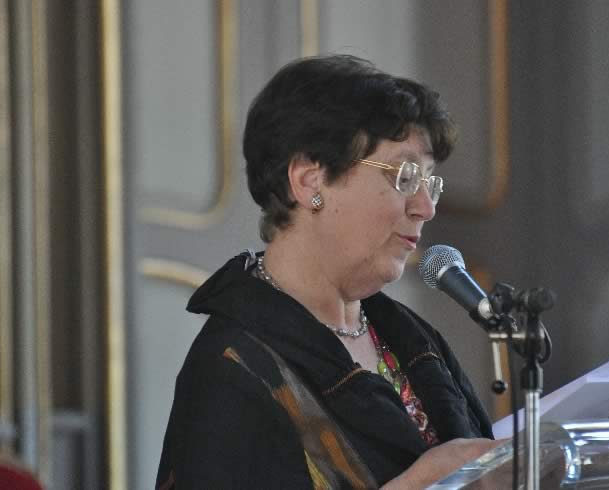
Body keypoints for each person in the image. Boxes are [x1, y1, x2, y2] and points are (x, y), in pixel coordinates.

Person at [156, 54, 497, 489]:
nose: (426, 207)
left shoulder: (413, 340)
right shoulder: (231, 367)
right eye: (405, 176)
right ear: (309, 182)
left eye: (430, 182)